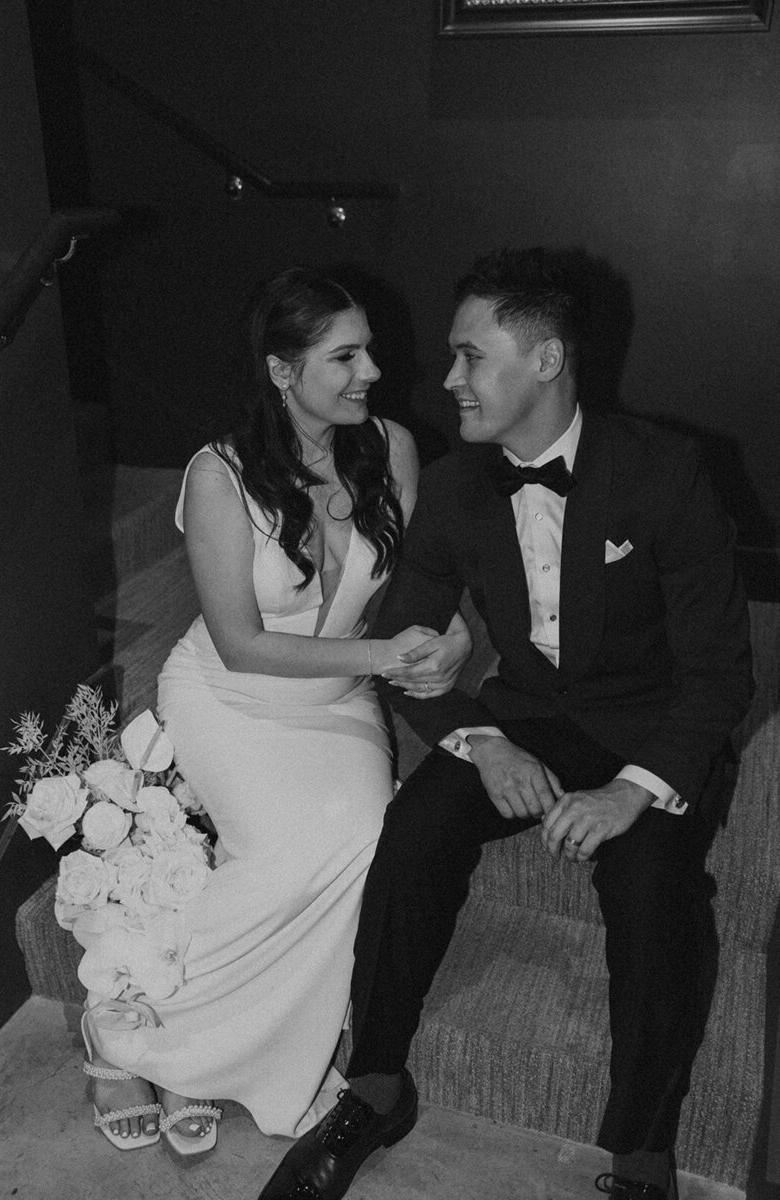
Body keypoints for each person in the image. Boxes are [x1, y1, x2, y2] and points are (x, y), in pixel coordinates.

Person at [256, 246, 755, 1200]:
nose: (448, 380)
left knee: (651, 890)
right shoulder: (452, 488)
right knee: (413, 829)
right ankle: (376, 1085)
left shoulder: (670, 474)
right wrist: (484, 741)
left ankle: (644, 1159)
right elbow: (396, 646)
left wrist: (630, 790)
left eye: (469, 357)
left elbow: (721, 673)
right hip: (527, 716)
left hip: (654, 728)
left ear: (546, 360)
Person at [80, 266, 472, 1155]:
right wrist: (387, 655)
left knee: (370, 831)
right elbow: (241, 643)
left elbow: (424, 587)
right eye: (345, 355)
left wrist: (445, 638)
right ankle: (122, 1035)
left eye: (369, 347)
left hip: (334, 706)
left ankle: (212, 1057)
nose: (372, 368)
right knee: (289, 849)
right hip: (232, 699)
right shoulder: (217, 476)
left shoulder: (394, 448)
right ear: (282, 370)